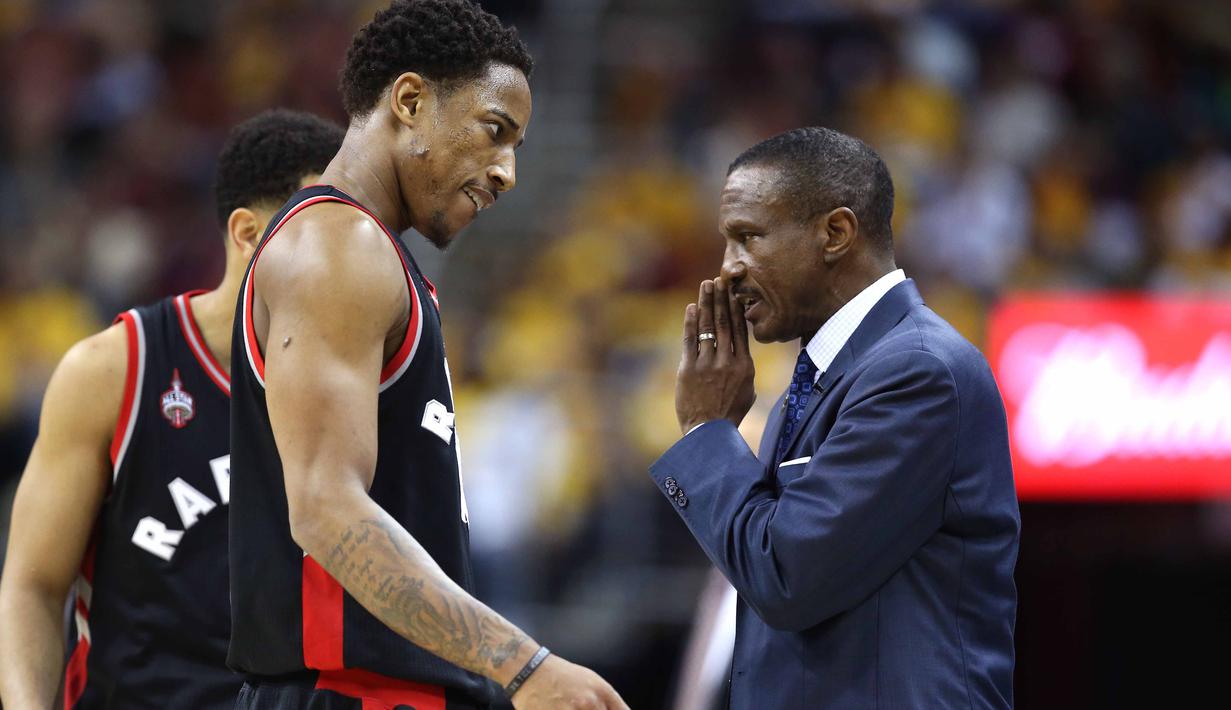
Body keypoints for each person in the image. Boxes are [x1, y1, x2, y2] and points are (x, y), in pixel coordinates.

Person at [226, 2, 626, 709]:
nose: (506, 173)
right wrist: (524, 665)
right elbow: (324, 507)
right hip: (346, 691)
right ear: (409, 101)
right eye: (493, 133)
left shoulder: (375, 258)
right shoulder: (337, 248)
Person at [651, 126, 1020, 708]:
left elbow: (785, 577)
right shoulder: (820, 381)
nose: (728, 269)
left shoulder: (919, 373)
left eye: (748, 237)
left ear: (836, 233)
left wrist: (705, 432)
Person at [0, 109, 345, 709]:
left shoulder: (359, 389)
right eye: (326, 233)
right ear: (247, 234)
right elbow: (32, 585)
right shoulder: (115, 369)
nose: (351, 259)